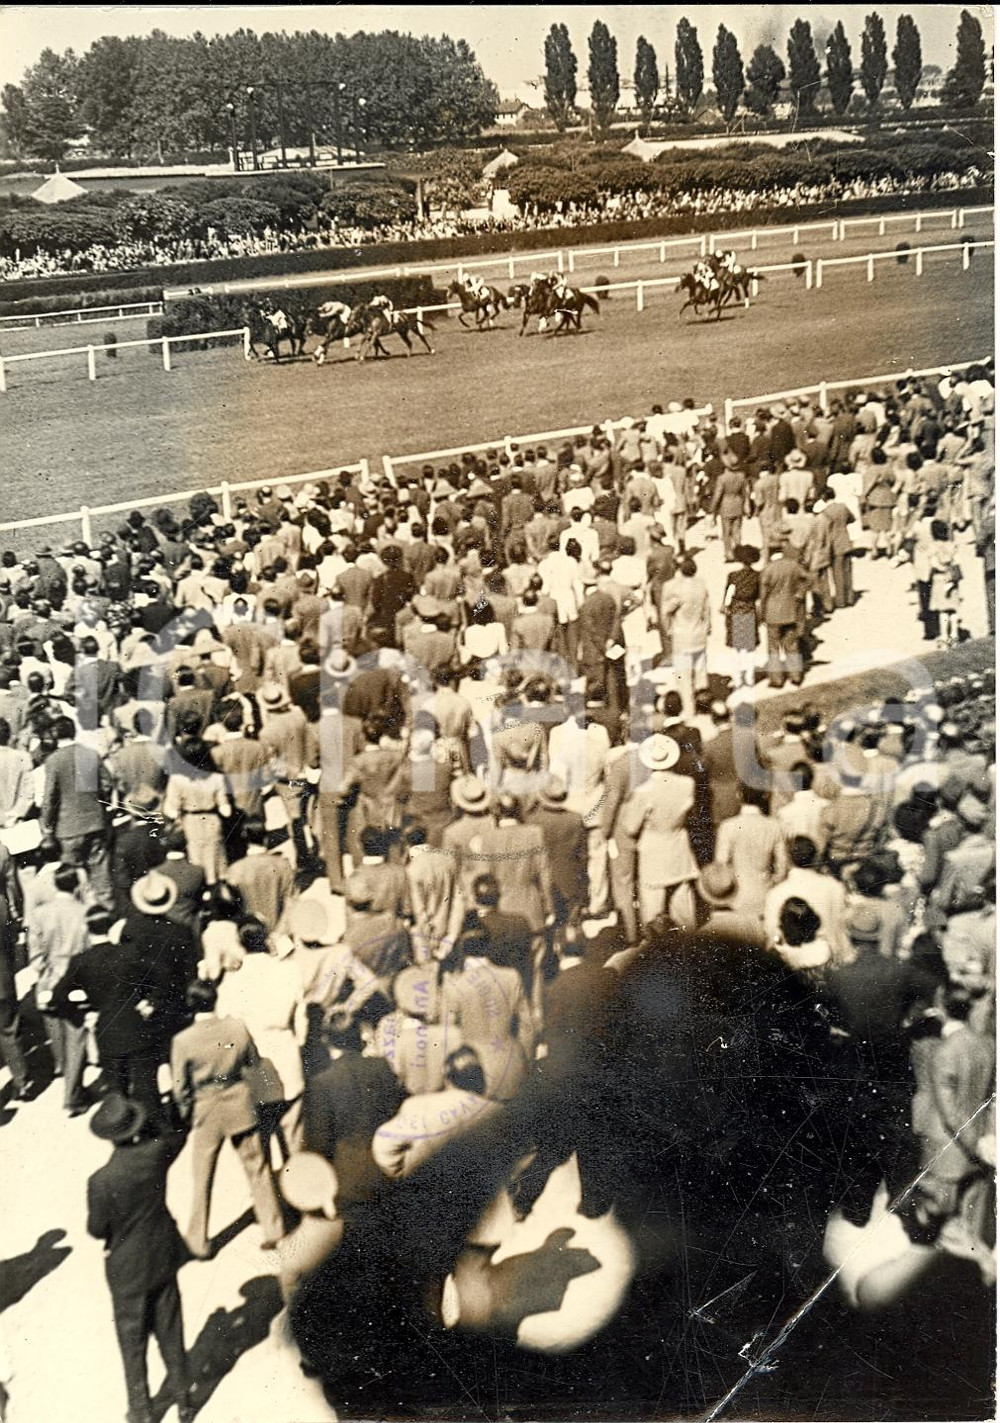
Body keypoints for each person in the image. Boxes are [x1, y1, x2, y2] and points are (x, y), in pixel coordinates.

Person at [86, 1094, 195, 1423]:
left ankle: (142, 1411)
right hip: (162, 1254)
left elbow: (96, 1229)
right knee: (171, 1329)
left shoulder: (101, 1181)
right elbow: (175, 1135)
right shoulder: (156, 1153)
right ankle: (184, 1399)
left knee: (132, 1344)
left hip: (127, 1270)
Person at [170, 979, 285, 1259]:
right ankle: (274, 1229)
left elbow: (179, 1086)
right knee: (257, 1168)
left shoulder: (183, 1041)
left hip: (206, 1110)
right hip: (239, 1104)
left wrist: (188, 1110)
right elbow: (253, 1062)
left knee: (202, 1176)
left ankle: (198, 1241)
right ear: (215, 999)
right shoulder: (236, 1027)